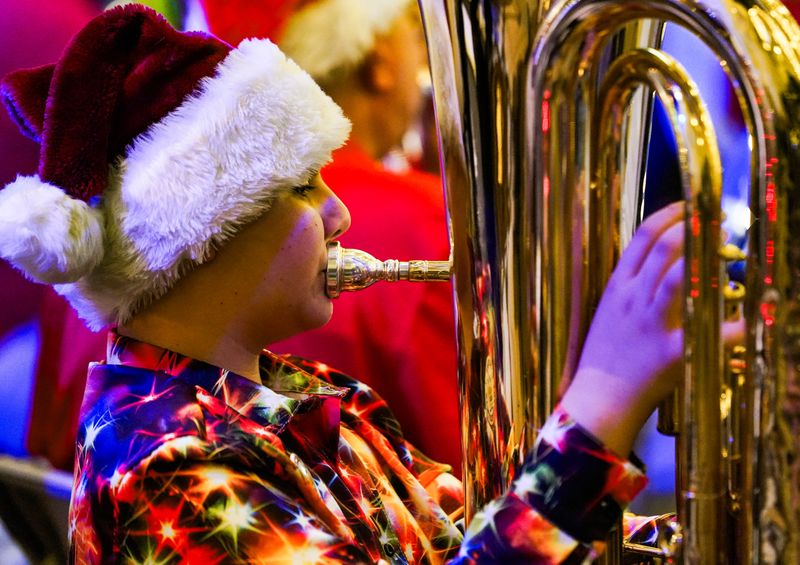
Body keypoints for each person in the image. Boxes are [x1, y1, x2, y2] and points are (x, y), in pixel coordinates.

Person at [0, 6, 732, 563]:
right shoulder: (163, 466)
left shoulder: (318, 398)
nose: (340, 210)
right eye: (302, 187)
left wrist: (730, 513)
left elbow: (469, 536)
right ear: (199, 235)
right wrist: (603, 400)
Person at [198, 0, 462, 471]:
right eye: (417, 39)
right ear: (378, 59)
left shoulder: (119, 242)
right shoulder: (426, 221)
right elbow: (477, 477)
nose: (337, 217)